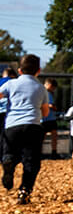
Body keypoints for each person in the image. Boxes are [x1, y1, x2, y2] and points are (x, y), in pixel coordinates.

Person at [1, 55, 51, 206]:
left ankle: (8, 161)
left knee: (10, 151)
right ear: (39, 71)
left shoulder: (11, 84)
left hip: (12, 125)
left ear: (19, 70)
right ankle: (25, 191)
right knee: (32, 161)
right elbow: (46, 112)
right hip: (33, 126)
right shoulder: (41, 88)